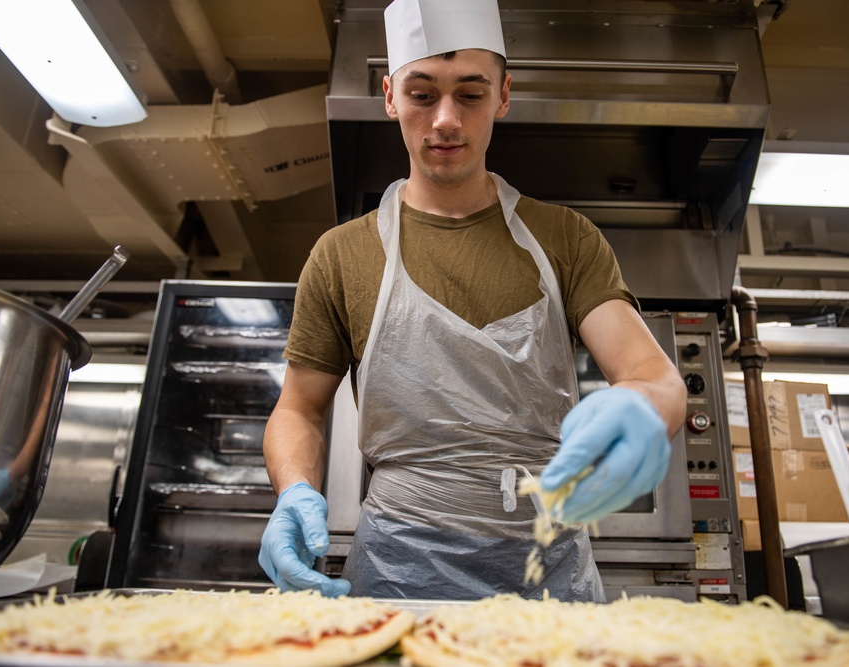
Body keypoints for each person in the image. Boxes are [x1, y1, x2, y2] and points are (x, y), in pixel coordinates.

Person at [258, 0, 687, 602]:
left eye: (470, 95)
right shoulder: (341, 255)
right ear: (389, 97)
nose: (445, 120)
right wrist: (294, 492)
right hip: (397, 574)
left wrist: (643, 408)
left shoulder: (566, 239)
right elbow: (299, 409)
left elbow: (653, 376)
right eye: (422, 94)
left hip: (547, 573)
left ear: (503, 96)